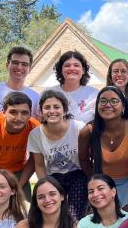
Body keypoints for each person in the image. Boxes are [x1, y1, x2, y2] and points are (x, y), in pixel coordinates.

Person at [78, 86, 128, 212]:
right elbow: (84, 161)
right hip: (104, 182)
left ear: (123, 106)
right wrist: (96, 182)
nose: (108, 105)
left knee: (126, 223)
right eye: (103, 101)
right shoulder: (88, 131)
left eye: (114, 101)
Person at [28, 90, 87, 220]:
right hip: (53, 177)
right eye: (47, 107)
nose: (52, 111)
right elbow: (39, 165)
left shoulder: (78, 127)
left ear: (64, 110)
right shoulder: (35, 134)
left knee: (74, 216)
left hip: (77, 174)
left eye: (56, 107)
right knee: (52, 214)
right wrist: (44, 185)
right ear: (41, 111)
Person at [51, 50, 98, 124]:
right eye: (67, 65)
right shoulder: (50, 93)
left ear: (83, 70)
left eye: (76, 65)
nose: (72, 68)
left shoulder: (94, 94)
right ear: (61, 70)